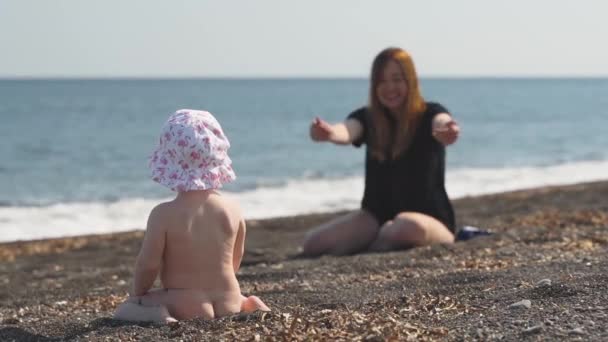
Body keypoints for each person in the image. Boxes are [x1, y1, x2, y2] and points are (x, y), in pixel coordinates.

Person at [114, 109, 269, 323]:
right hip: (229, 299)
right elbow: (235, 258)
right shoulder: (232, 209)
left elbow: (148, 265)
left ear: (169, 160)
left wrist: (138, 294)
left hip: (185, 303)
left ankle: (159, 316)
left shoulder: (163, 214)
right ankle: (250, 304)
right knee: (237, 298)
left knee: (125, 309)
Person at [301, 47, 460, 257]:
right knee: (313, 244)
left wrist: (448, 130)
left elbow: (442, 122)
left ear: (410, 81)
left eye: (397, 79)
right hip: (375, 218)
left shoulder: (429, 113)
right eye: (382, 81)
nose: (389, 87)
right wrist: (329, 133)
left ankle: (372, 244)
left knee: (405, 226)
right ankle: (375, 241)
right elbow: (347, 130)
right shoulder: (368, 118)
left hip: (430, 221)